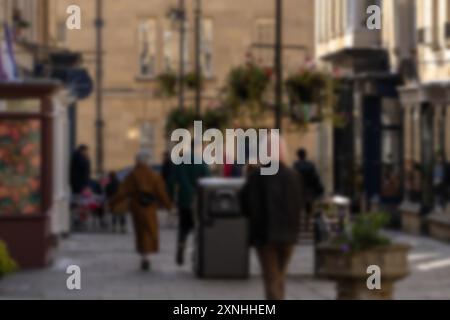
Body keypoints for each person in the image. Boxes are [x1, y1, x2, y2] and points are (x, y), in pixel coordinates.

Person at [240, 134, 303, 300]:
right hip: (289, 235)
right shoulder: (293, 176)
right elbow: (300, 203)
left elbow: (244, 203)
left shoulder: (256, 176)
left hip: (265, 235)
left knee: (271, 278)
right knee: (280, 276)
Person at [109, 151, 173, 271]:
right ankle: (147, 256)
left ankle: (144, 255)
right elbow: (161, 193)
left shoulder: (132, 175)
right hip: (150, 207)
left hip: (136, 206)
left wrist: (111, 202)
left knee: (140, 231)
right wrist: (168, 206)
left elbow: (122, 192)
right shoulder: (154, 175)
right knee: (150, 230)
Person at [168, 141, 211, 266]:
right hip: (198, 200)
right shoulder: (202, 163)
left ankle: (181, 244)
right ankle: (195, 254)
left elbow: (171, 182)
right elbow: (208, 180)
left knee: (183, 226)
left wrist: (171, 199)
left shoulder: (179, 162)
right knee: (198, 228)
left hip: (184, 200)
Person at [293, 148, 323, 218]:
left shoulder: (295, 166)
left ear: (298, 156)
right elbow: (315, 178)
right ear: (305, 155)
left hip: (299, 192)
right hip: (309, 192)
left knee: (299, 211)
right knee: (309, 211)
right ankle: (307, 225)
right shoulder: (310, 165)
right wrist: (318, 189)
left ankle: (300, 226)